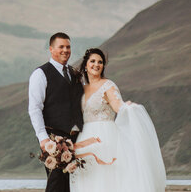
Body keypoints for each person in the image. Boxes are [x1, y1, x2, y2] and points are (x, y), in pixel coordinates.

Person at [70, 48, 166, 192]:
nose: (97, 64)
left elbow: (117, 106)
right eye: (93, 61)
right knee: (87, 180)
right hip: (85, 139)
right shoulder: (81, 89)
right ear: (85, 65)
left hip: (106, 137)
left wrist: (127, 107)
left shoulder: (108, 85)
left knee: (107, 179)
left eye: (100, 62)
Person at [28, 32, 84, 192]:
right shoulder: (40, 74)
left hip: (78, 138)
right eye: (61, 47)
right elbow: (34, 108)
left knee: (72, 185)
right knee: (56, 184)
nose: (65, 50)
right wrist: (43, 139)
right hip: (54, 139)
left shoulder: (74, 74)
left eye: (68, 47)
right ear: (51, 49)